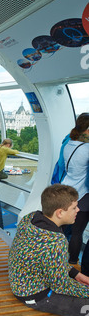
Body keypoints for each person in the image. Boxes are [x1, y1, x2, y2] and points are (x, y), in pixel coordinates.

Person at [8, 184, 89, 316]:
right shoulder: (56, 241)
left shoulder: (31, 218)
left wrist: (75, 274)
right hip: (35, 295)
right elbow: (62, 286)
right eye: (74, 207)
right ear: (59, 213)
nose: (78, 210)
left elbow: (48, 259)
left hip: (19, 282)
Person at [61, 113, 89, 265]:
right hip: (83, 195)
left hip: (67, 191)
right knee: (78, 232)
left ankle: (58, 258)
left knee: (63, 228)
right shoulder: (86, 149)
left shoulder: (68, 144)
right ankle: (72, 262)